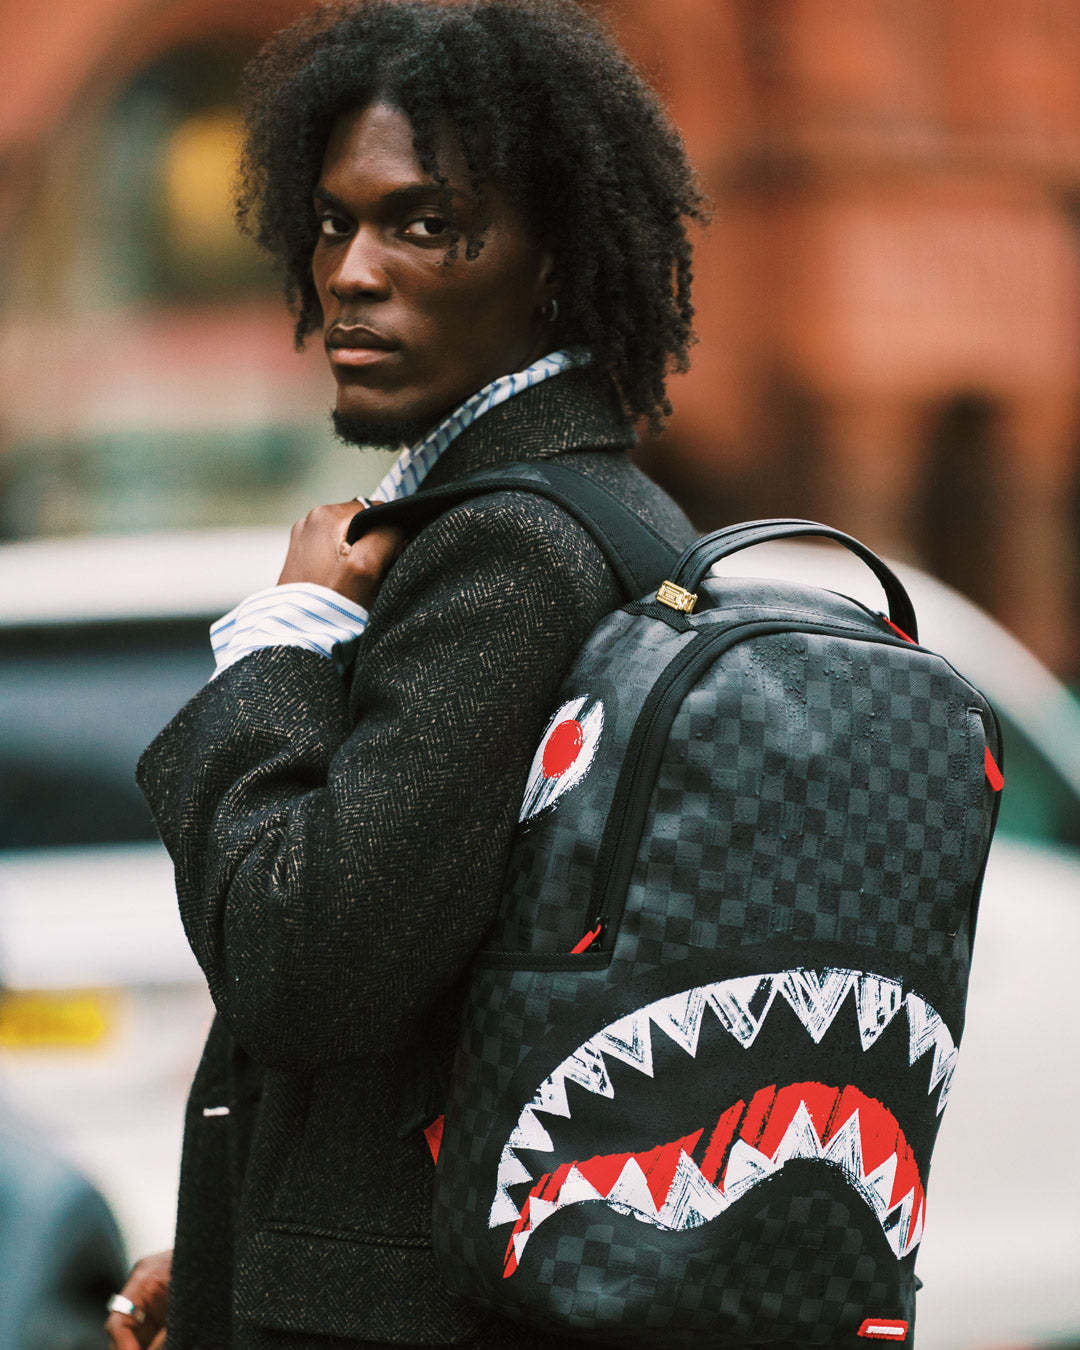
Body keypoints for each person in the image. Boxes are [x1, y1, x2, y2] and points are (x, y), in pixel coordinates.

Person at [106, 2, 705, 1346]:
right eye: (333, 223)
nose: (352, 273)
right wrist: (231, 1252)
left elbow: (304, 964)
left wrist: (286, 638)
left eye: (425, 225)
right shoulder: (612, 513)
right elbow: (460, 999)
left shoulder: (511, 551)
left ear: (554, 260)